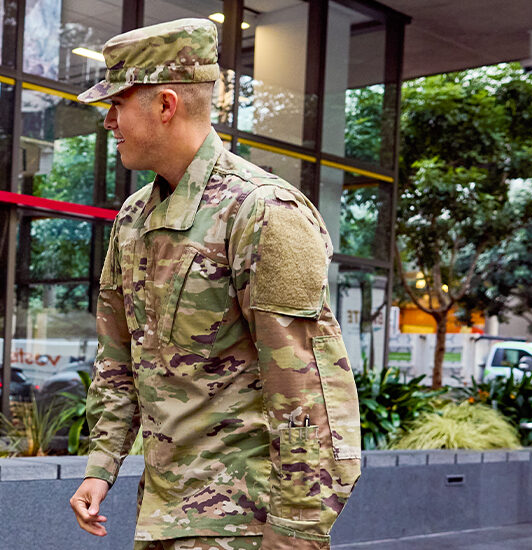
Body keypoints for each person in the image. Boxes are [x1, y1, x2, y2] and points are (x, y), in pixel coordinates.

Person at [66, 19, 363, 550]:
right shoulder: (134, 218)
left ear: (165, 104)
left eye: (117, 103)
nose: (108, 121)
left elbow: (309, 392)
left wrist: (297, 532)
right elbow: (119, 361)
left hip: (243, 523)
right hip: (162, 513)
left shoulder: (264, 211)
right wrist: (102, 464)